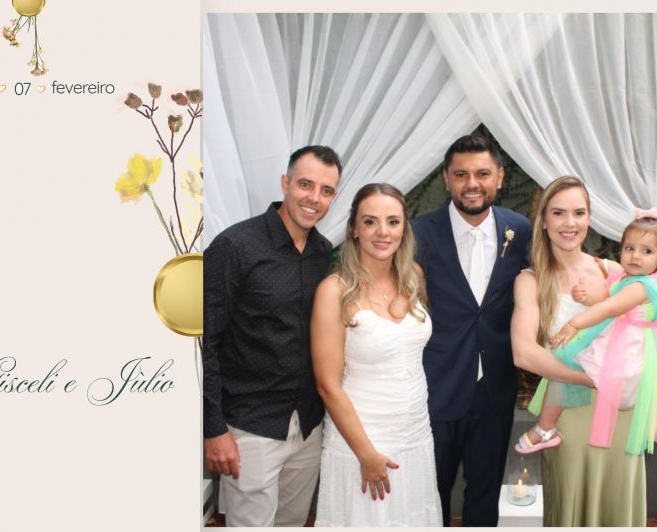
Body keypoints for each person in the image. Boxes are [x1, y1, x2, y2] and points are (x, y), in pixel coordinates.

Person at [202, 145, 341, 527]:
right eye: (305, 184)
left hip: (307, 425)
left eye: (326, 190)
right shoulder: (235, 246)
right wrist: (213, 429)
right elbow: (202, 341)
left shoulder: (322, 251)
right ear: (285, 183)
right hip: (250, 426)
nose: (314, 198)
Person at [511, 175, 647, 526]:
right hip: (565, 414)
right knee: (571, 503)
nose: (569, 223)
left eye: (578, 213)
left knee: (616, 501)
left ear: (590, 218)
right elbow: (523, 353)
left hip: (620, 411)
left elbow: (642, 329)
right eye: (558, 213)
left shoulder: (614, 271)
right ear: (543, 220)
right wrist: (590, 378)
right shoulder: (530, 280)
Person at [412, 135, 532, 526]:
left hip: (495, 389)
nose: (472, 183)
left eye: (482, 173)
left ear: (500, 177)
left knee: (485, 495)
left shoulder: (519, 230)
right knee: (430, 495)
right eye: (461, 174)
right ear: (446, 179)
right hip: (436, 387)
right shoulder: (417, 233)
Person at [311, 183, 441, 527]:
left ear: (404, 228)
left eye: (393, 222)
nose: (383, 232)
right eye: (370, 222)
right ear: (354, 229)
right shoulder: (333, 290)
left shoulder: (413, 277)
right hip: (362, 440)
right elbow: (327, 385)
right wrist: (366, 454)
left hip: (415, 434)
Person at [516, 210, 657, 456]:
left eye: (647, 251)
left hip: (626, 351)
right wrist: (587, 298)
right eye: (630, 248)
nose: (635, 256)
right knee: (568, 360)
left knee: (565, 360)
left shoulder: (642, 285)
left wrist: (574, 324)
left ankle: (545, 428)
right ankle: (550, 424)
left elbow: (611, 307)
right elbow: (609, 299)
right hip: (622, 342)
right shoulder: (633, 278)